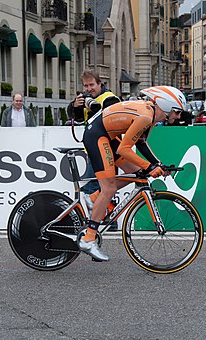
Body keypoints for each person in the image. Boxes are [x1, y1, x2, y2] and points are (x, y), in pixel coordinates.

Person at [78, 85, 185, 261]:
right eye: (177, 112)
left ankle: (92, 200)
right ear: (166, 106)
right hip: (97, 136)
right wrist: (150, 167)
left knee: (138, 173)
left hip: (108, 135)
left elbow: (141, 143)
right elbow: (124, 149)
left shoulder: (150, 117)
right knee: (109, 189)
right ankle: (89, 238)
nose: (178, 116)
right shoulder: (145, 117)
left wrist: (157, 164)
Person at [67, 70, 120, 217]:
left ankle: (98, 218)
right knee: (103, 186)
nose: (89, 89)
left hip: (108, 148)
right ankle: (99, 218)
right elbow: (75, 118)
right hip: (95, 148)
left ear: (99, 84)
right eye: (86, 86)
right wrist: (75, 106)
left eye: (91, 85)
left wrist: (94, 108)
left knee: (101, 186)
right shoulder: (86, 99)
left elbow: (110, 120)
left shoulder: (109, 98)